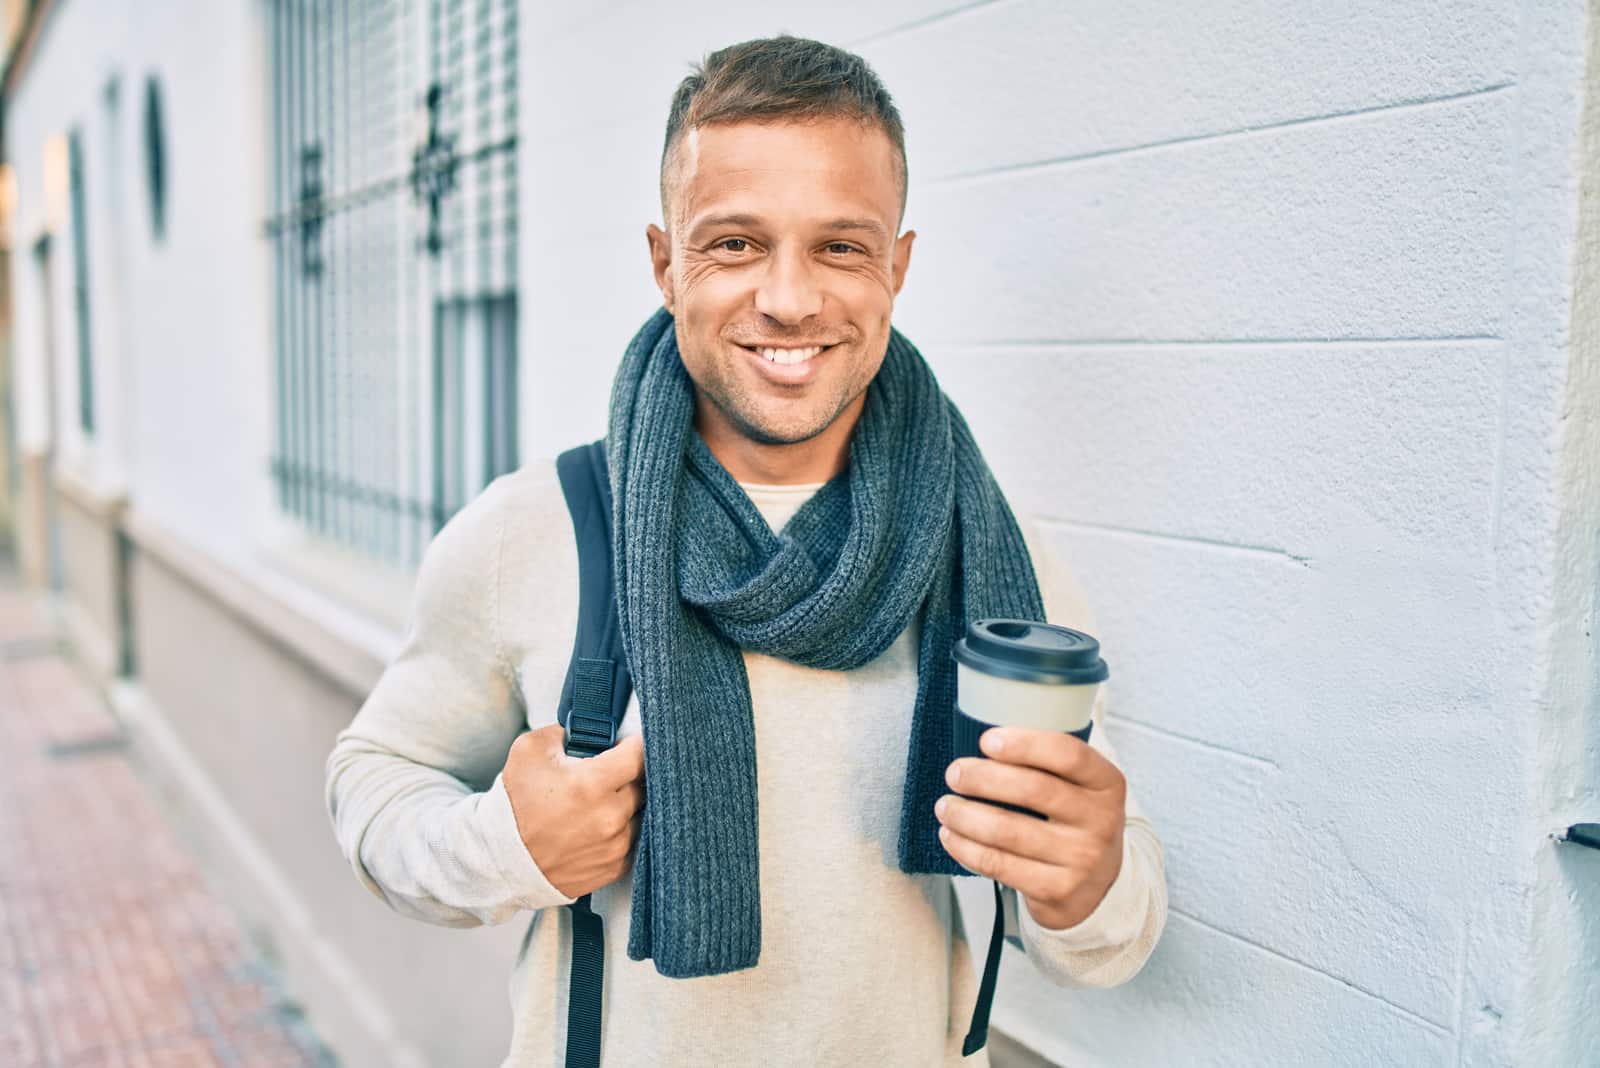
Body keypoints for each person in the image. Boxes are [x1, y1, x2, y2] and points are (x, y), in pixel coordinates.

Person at [325, 34, 1168, 1067]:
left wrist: (1089, 882)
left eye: (840, 247)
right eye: (733, 244)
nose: (788, 299)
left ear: (895, 268)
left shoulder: (991, 556)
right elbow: (376, 781)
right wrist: (506, 847)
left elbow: (1105, 933)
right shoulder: (537, 530)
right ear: (663, 261)